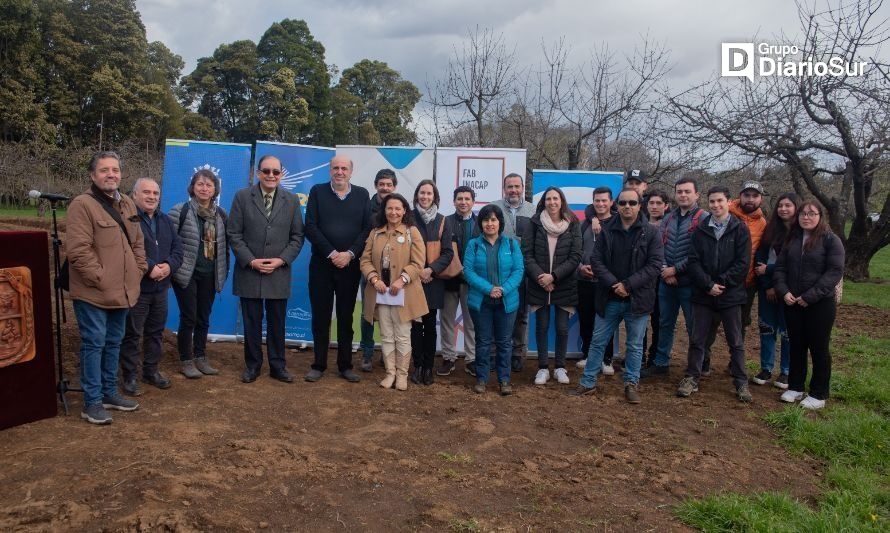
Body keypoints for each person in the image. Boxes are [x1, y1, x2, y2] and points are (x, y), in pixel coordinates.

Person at [67, 151, 147, 424]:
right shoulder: (82, 205)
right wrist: (100, 279)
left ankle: (109, 393)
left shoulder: (126, 203)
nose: (111, 174)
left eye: (115, 169)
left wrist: (138, 271)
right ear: (93, 175)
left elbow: (137, 242)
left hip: (123, 292)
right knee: (94, 343)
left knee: (113, 343)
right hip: (94, 293)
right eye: (104, 170)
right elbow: (78, 251)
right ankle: (91, 402)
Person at [574, 188, 662, 403]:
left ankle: (631, 383)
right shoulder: (607, 230)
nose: (627, 207)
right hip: (610, 297)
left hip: (638, 299)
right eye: (623, 203)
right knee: (597, 342)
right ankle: (588, 383)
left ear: (640, 205)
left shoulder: (651, 233)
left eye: (632, 203)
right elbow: (597, 260)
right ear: (617, 205)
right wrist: (615, 284)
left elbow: (654, 265)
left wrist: (628, 285)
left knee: (634, 345)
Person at [228, 155, 305, 383]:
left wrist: (281, 260)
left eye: (275, 172)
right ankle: (252, 366)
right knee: (251, 322)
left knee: (277, 323)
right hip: (249, 271)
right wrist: (251, 260)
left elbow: (297, 236)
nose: (271, 175)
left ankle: (277, 366)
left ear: (281, 174)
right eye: (266, 171)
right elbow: (233, 233)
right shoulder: (242, 197)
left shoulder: (291, 200)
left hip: (278, 272)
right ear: (257, 173)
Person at [676, 186, 752, 403]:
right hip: (703, 294)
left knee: (735, 341)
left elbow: (743, 263)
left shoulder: (740, 229)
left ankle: (741, 382)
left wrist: (722, 283)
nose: (716, 205)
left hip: (731, 296)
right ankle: (691, 378)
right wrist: (708, 284)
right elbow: (694, 260)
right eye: (712, 202)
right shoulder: (700, 230)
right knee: (698, 339)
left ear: (729, 202)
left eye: (720, 201)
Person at [304, 155, 372, 383]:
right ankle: (319, 364)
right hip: (322, 265)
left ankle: (345, 365)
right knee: (320, 317)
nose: (340, 172)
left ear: (351, 172)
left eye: (344, 168)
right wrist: (333, 254)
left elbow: (367, 230)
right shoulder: (317, 192)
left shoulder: (362, 195)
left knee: (345, 317)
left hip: (349, 267)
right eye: (336, 168)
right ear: (330, 171)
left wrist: (350, 254)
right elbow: (310, 227)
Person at [774, 200, 844, 410]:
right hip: (792, 302)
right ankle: (795, 386)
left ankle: (819, 392)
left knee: (819, 347)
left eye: (811, 213)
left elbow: (834, 272)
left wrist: (809, 296)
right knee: (796, 345)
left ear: (820, 217)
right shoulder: (792, 240)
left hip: (819, 305)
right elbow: (780, 269)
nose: (806, 217)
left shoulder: (831, 241)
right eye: (803, 213)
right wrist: (784, 291)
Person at [119, 178, 183, 396]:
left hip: (161, 289)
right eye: (146, 192)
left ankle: (151, 371)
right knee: (132, 333)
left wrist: (168, 267)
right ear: (135, 195)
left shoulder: (165, 220)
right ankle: (129, 376)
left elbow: (178, 251)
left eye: (155, 193)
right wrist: (149, 268)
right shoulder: (128, 219)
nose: (151, 197)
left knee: (155, 333)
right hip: (138, 288)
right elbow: (125, 250)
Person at [360, 193, 428, 390]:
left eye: (398, 208)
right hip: (381, 294)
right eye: (389, 208)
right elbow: (364, 260)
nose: (393, 212)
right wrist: (374, 278)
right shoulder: (375, 233)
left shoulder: (411, 232)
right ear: (384, 210)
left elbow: (418, 262)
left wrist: (402, 279)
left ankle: (402, 375)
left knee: (403, 336)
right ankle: (390, 374)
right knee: (387, 335)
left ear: (404, 210)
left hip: (403, 294)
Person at [170, 169, 229, 379]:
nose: (204, 189)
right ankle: (186, 360)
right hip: (186, 274)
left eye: (209, 185)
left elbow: (225, 247)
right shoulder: (180, 211)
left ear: (215, 190)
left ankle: (200, 356)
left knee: (203, 318)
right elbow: (170, 242)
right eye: (200, 184)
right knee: (189, 317)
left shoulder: (221, 215)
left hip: (210, 274)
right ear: (193, 187)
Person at [702, 180, 766, 374]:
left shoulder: (763, 223)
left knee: (739, 325)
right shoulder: (725, 214)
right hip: (713, 282)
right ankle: (703, 360)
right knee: (709, 323)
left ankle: (735, 365)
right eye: (747, 195)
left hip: (745, 283)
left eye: (755, 196)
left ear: (760, 199)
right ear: (738, 197)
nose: (750, 199)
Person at [643, 177, 704, 377]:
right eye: (680, 192)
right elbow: (658, 246)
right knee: (664, 323)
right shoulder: (668, 218)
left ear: (697, 194)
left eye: (687, 191)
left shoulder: (703, 219)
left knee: (693, 325)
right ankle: (661, 363)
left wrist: (676, 270)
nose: (683, 195)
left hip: (690, 283)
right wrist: (664, 269)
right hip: (666, 282)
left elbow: (700, 253)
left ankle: (696, 367)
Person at [463, 204, 525, 395]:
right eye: (485, 220)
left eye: (493, 220)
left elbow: (518, 270)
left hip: (507, 302)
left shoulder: (512, 244)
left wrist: (503, 289)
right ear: (480, 223)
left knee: (505, 342)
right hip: (481, 301)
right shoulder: (473, 245)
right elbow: (468, 272)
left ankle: (504, 380)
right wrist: (489, 289)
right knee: (482, 340)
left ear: (500, 222)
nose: (489, 224)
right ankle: (481, 379)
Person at [524, 186, 582, 386]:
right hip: (539, 284)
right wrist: (542, 277)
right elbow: (527, 254)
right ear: (544, 202)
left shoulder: (573, 223)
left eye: (555, 198)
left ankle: (560, 367)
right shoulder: (534, 223)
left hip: (563, 285)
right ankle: (542, 368)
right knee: (541, 327)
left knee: (562, 328)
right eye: (548, 199)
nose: (552, 202)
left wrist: (554, 277)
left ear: (562, 200)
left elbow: (575, 256)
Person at [752, 192, 801, 389]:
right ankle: (766, 368)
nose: (783, 209)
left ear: (796, 207)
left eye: (788, 205)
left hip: (791, 290)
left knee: (788, 331)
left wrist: (770, 270)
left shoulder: (802, 233)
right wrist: (767, 285)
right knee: (767, 328)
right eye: (780, 205)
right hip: (768, 290)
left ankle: (786, 371)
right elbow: (759, 261)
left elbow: (795, 264)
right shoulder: (770, 230)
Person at [410, 179, 454, 385]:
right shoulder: (408, 217)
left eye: (429, 193)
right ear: (417, 195)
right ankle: (416, 365)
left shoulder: (443, 220)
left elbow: (447, 253)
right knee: (415, 326)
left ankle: (428, 366)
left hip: (434, 281)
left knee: (430, 325)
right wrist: (417, 271)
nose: (425, 197)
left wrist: (431, 270)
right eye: (422, 193)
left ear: (435, 197)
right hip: (412, 280)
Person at [490, 173, 536, 372]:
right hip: (498, 271)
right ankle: (494, 353)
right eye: (510, 186)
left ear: (523, 187)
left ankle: (517, 353)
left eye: (517, 186)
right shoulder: (493, 208)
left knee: (520, 315)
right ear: (504, 189)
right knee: (494, 312)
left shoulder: (533, 210)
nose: (514, 190)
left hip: (524, 273)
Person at [575, 187, 621, 374]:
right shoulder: (584, 224)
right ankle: (587, 355)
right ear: (592, 202)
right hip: (584, 281)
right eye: (597, 201)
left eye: (604, 201)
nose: (601, 204)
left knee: (606, 321)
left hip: (607, 283)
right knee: (586, 320)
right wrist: (580, 267)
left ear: (611, 202)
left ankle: (607, 358)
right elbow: (575, 250)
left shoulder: (619, 223)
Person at [438, 186, 480, 377]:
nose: (463, 202)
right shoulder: (445, 222)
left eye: (467, 198)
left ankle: (471, 359)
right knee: (447, 320)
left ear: (473, 201)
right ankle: (448, 358)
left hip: (472, 282)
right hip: (448, 280)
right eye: (459, 198)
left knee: (471, 322)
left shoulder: (481, 223)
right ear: (454, 201)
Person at [359, 168, 397, 372]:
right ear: (376, 185)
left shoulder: (399, 207)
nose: (385, 187)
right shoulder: (365, 206)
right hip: (370, 270)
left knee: (390, 313)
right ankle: (366, 352)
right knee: (368, 312)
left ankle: (387, 352)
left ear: (394, 187)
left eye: (389, 184)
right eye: (381, 184)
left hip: (393, 271)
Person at [642, 189, 671, 366]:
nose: (654, 207)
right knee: (640, 321)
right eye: (651, 203)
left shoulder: (671, 224)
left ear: (666, 206)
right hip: (643, 280)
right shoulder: (640, 222)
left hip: (663, 279)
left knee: (660, 321)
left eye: (658, 203)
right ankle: (640, 357)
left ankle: (656, 357)